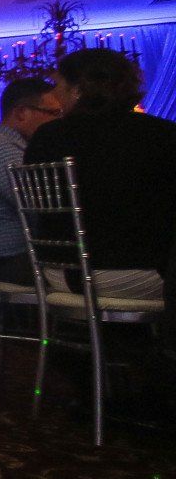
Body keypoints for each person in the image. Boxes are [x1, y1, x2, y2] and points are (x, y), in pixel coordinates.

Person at [24, 49, 176, 302]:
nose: (54, 92)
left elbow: (36, 206)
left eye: (57, 83)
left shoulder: (47, 138)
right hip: (143, 273)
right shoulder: (162, 135)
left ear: (77, 89)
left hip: (61, 272)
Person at [0, 78, 60, 283]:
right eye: (53, 113)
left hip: (22, 257)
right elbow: (37, 205)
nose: (58, 121)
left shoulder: (15, 145)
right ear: (21, 113)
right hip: (13, 260)